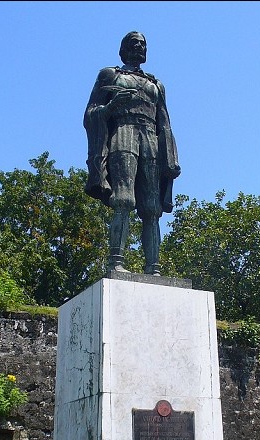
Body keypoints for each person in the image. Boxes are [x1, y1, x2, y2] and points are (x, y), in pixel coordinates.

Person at [84, 32, 181, 275]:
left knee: (152, 207)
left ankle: (153, 267)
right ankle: (116, 262)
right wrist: (110, 108)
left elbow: (165, 122)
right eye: (134, 43)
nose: (139, 46)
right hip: (124, 132)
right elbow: (90, 113)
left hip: (150, 139)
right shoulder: (110, 75)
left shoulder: (156, 85)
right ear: (123, 48)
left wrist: (171, 156)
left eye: (143, 44)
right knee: (124, 199)